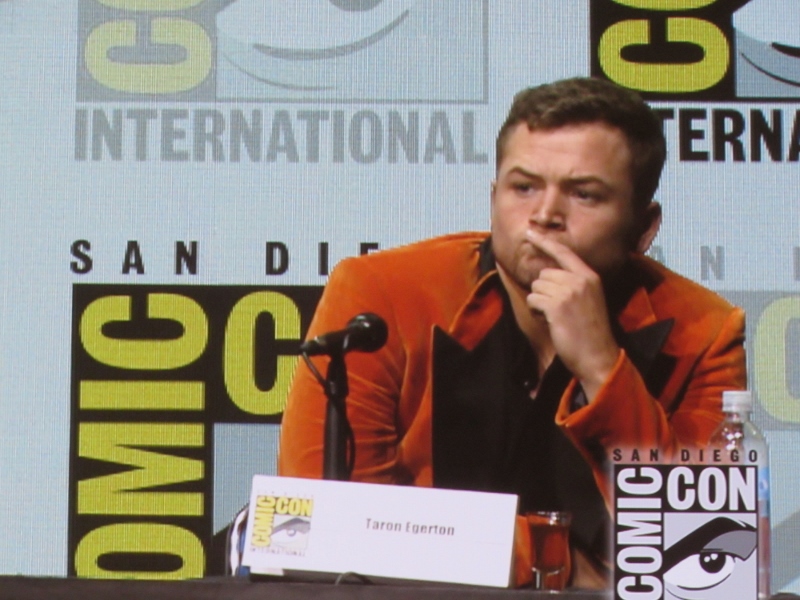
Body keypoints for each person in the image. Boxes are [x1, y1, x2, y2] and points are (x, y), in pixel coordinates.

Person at [277, 77, 746, 588]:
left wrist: (602, 368)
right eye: (523, 187)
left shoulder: (704, 333)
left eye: (584, 194)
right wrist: (558, 561)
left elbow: (707, 560)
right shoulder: (381, 295)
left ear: (644, 227)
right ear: (493, 196)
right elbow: (315, 528)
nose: (544, 216)